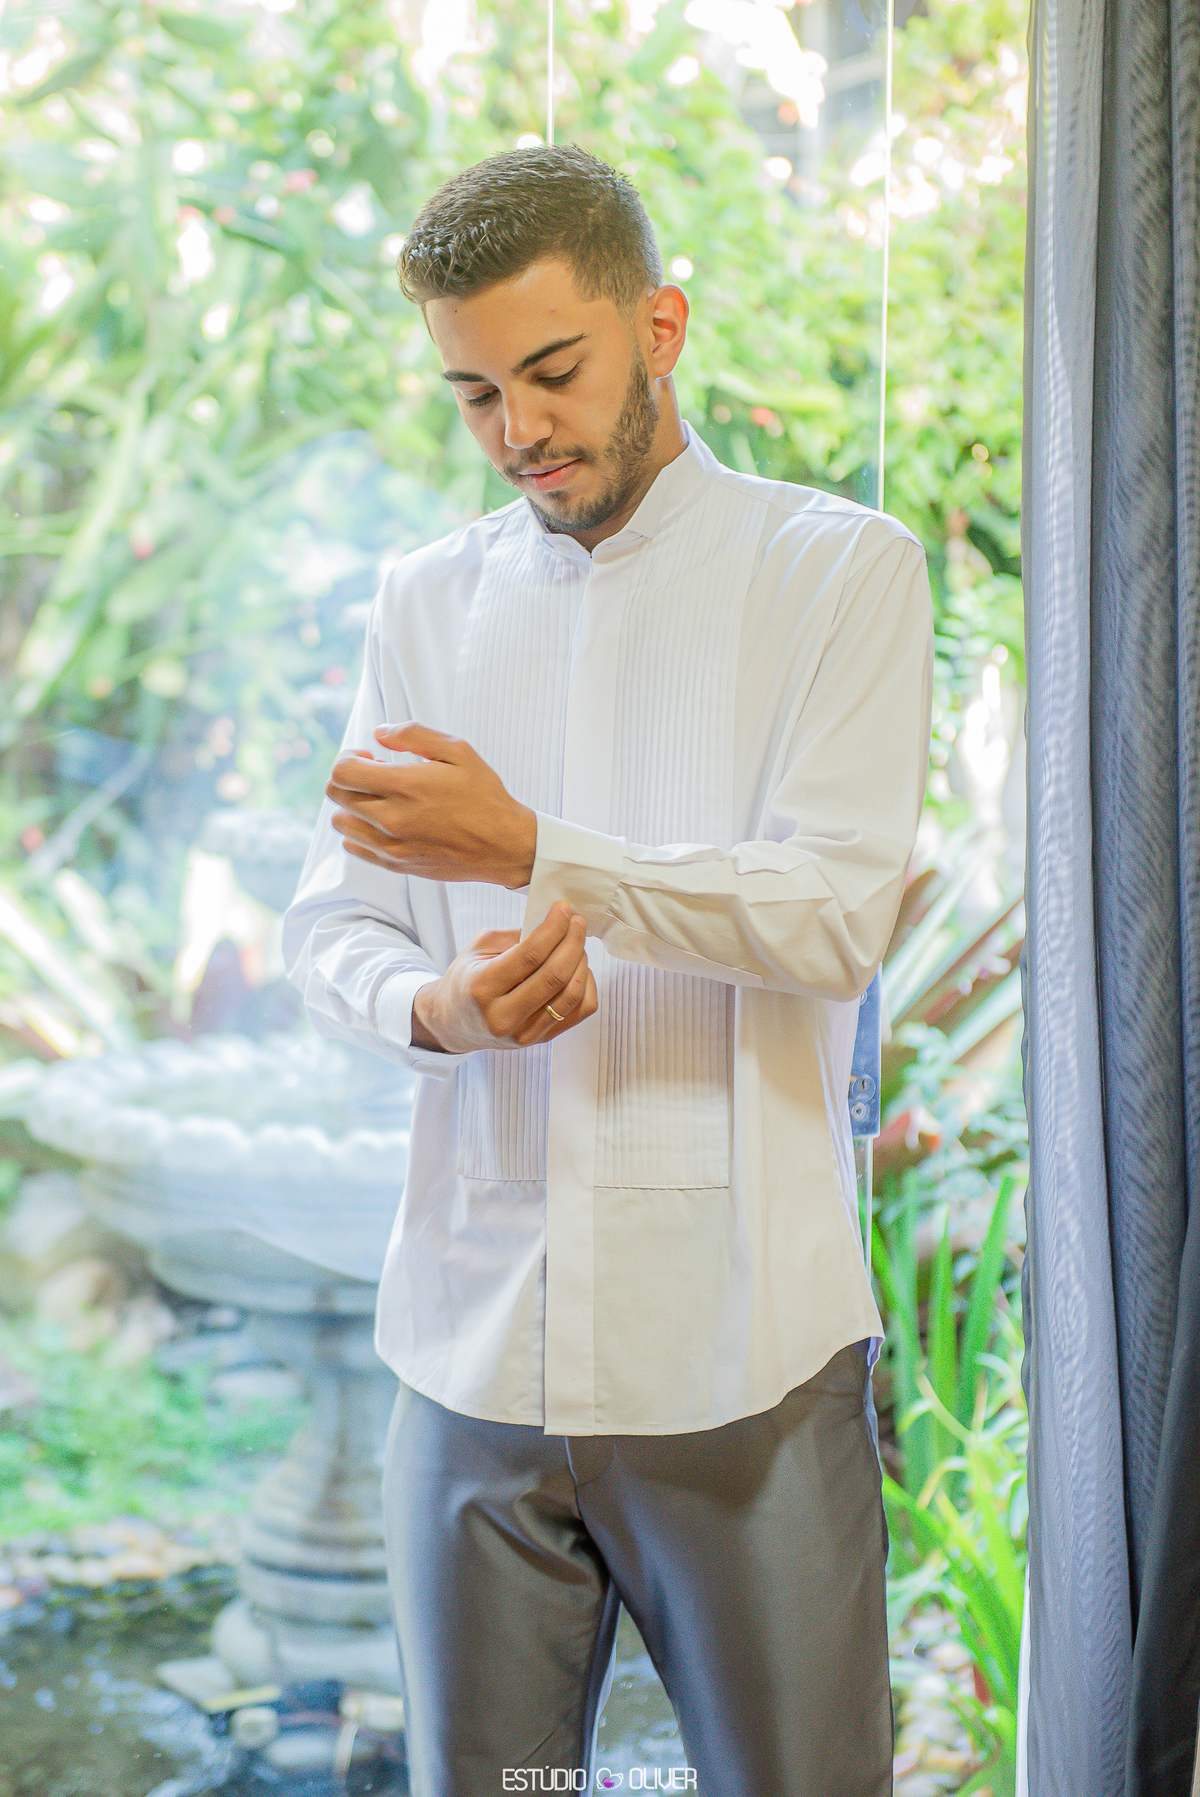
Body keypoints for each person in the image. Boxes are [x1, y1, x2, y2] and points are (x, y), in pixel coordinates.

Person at [283, 144, 932, 1797]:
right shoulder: (423, 602)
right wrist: (436, 1008)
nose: (519, 428)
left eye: (553, 370)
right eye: (474, 392)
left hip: (744, 1362)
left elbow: (832, 917)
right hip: (471, 1363)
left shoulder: (840, 572)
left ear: (661, 326)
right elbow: (331, 926)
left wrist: (531, 849)